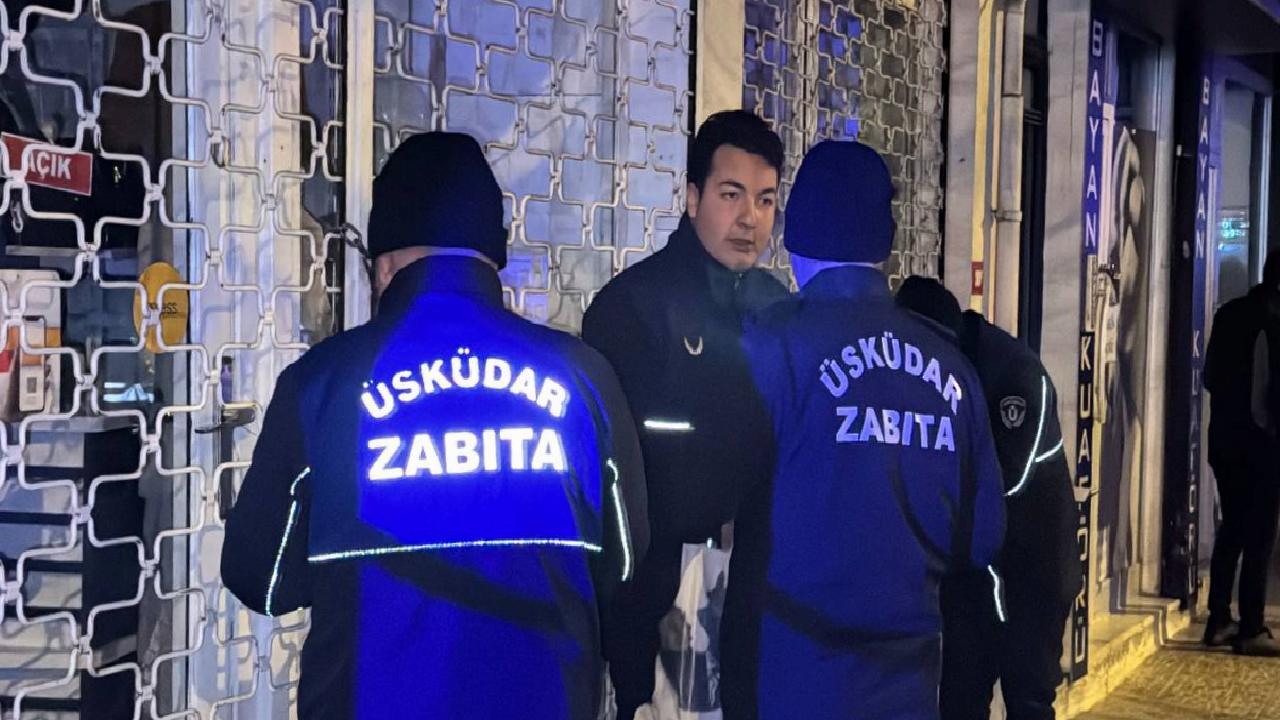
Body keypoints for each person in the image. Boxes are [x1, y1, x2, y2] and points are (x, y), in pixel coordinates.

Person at [220, 132, 649, 719]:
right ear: (491, 258)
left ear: (385, 264)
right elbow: (623, 563)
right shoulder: (583, 377)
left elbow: (262, 581)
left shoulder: (322, 383)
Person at [720, 140, 1005, 720]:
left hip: (790, 675)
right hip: (910, 680)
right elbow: (982, 538)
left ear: (795, 235)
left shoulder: (769, 347)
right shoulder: (950, 367)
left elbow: (715, 496)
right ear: (884, 241)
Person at [581, 110, 789, 719]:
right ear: (693, 197)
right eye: (731, 195)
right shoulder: (631, 310)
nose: (749, 218)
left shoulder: (781, 314)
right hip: (653, 612)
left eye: (765, 200)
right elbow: (609, 490)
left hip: (763, 607)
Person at [897, 276, 1079, 719]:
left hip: (1032, 573)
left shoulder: (1013, 373)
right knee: (960, 698)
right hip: (971, 577)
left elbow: (1004, 482)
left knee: (1029, 698)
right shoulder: (938, 365)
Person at [1204, 253, 1280, 656]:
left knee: (1232, 528)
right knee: (1260, 535)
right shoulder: (1270, 322)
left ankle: (1218, 618)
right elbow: (1268, 394)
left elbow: (1209, 377)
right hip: (1259, 446)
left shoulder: (1227, 316)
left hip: (1224, 442)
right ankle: (1251, 626)